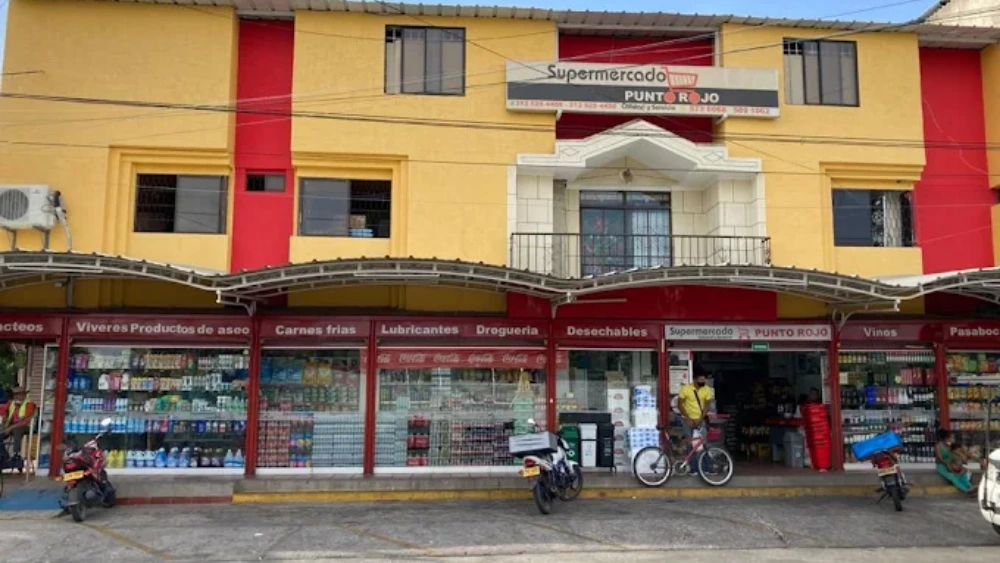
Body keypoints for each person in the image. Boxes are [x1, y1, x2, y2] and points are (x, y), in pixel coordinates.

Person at [678, 370, 714, 444]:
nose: (703, 382)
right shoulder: (686, 388)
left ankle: (702, 455)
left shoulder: (707, 389)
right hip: (687, 420)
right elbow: (680, 404)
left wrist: (700, 419)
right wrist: (688, 419)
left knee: (703, 442)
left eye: (704, 380)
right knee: (689, 442)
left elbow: (707, 406)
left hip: (700, 420)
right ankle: (691, 455)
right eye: (701, 380)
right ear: (695, 380)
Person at [2, 386, 37, 459]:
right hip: (13, 425)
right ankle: (3, 455)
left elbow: (25, 420)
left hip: (28, 426)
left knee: (17, 430)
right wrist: (4, 425)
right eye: (16, 394)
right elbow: (4, 413)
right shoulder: (11, 403)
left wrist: (10, 428)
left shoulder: (29, 404)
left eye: (21, 394)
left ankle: (16, 454)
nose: (19, 396)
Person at [935, 429, 974, 495]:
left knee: (962, 474)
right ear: (946, 438)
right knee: (952, 476)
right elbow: (940, 458)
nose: (952, 439)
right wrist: (948, 465)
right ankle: (965, 490)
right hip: (942, 465)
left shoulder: (952, 446)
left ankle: (970, 487)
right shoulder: (938, 446)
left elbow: (961, 453)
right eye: (951, 438)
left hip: (953, 464)